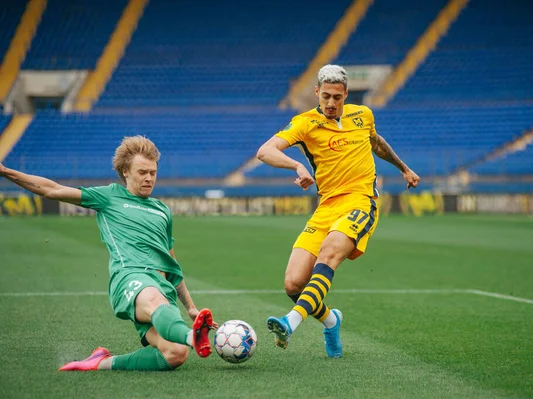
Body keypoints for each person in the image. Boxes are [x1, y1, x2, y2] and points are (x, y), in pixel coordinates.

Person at [0, 136, 217, 371]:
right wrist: (5, 172)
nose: (149, 178)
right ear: (125, 171)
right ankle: (191, 337)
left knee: (175, 354)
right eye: (142, 171)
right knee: (155, 302)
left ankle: (101, 363)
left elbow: (171, 263)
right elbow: (53, 190)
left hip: (161, 288)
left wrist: (190, 307)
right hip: (130, 277)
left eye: (153, 172)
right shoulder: (109, 197)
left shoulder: (162, 210)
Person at [256, 65, 420, 357]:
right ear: (317, 92)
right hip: (326, 207)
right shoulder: (305, 123)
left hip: (360, 201)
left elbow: (377, 144)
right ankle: (332, 321)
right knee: (293, 283)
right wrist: (296, 165)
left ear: (346, 95)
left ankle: (289, 323)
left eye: (337, 97)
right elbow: (265, 151)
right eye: (326, 96)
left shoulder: (363, 115)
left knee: (329, 253)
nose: (331, 103)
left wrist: (404, 168)